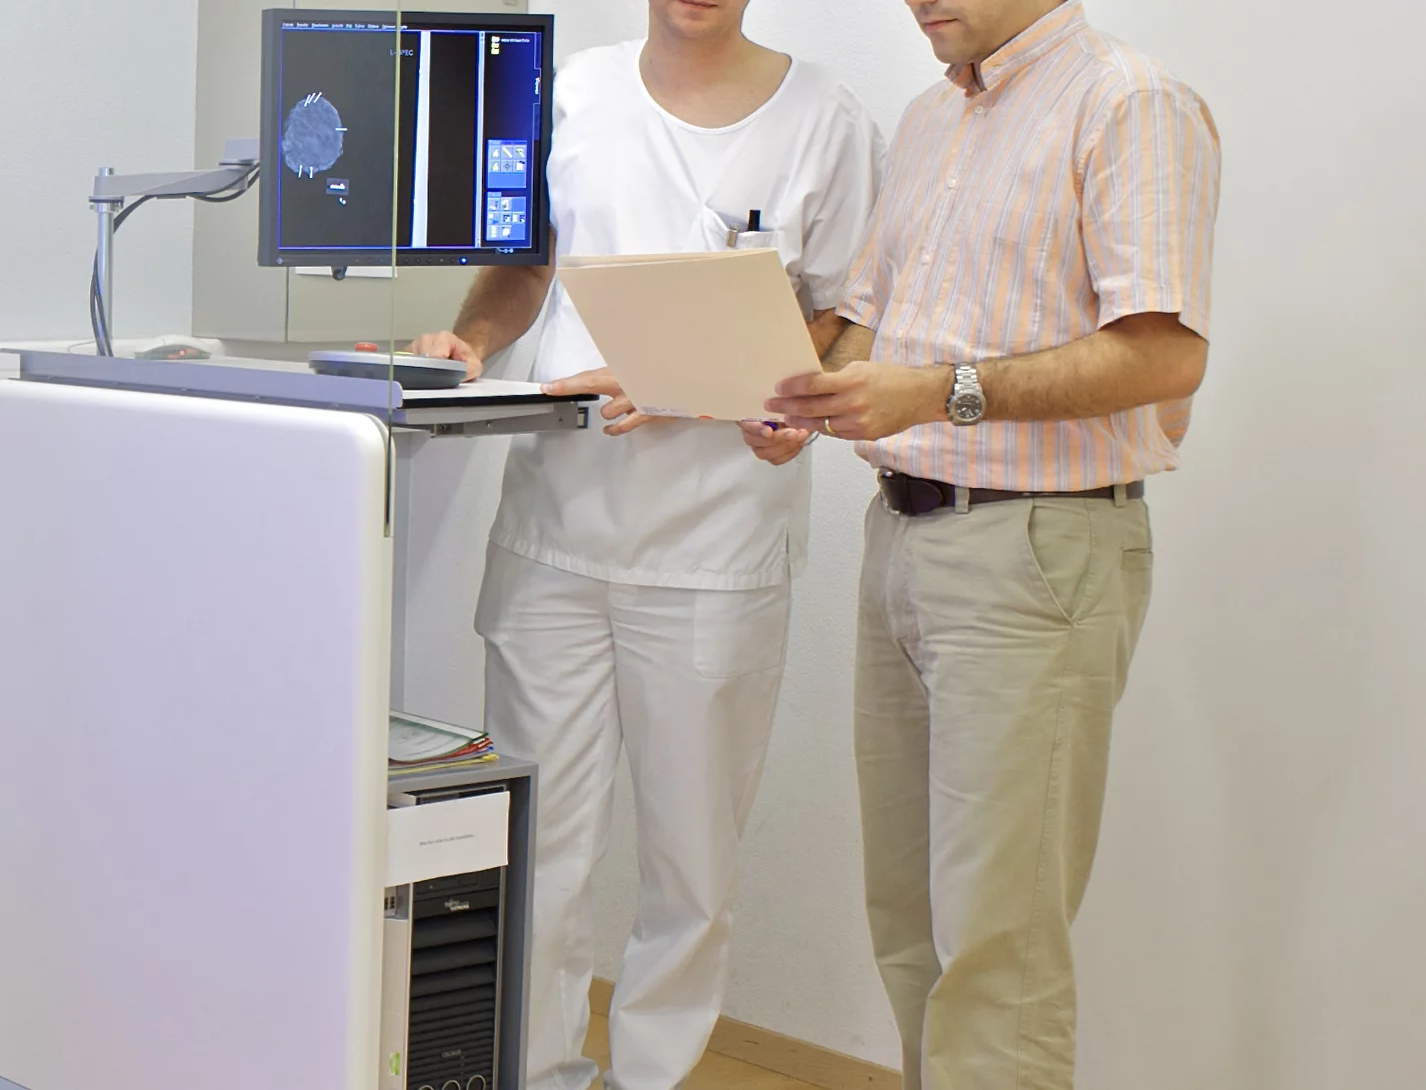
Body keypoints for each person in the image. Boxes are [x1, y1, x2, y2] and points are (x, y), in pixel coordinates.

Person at [409, 2, 882, 1087]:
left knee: (690, 867)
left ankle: (651, 1077)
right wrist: (469, 341)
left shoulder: (827, 121)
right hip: (555, 536)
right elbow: (523, 266)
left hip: (715, 550)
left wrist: (705, 375)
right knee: (537, 852)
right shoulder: (570, 91)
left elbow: (847, 315)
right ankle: (526, 1072)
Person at [752, 2, 1222, 1088]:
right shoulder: (928, 121)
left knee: (997, 948)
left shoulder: (1130, 102)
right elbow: (874, 325)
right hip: (902, 539)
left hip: (1037, 551)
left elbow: (1163, 354)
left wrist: (940, 392)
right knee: (909, 919)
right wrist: (793, 395)